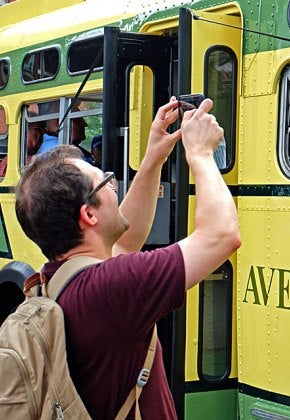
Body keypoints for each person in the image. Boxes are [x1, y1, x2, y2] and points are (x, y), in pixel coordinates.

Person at [15, 97, 241, 419]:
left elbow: (125, 243)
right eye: (105, 181)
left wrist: (153, 158)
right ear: (88, 214)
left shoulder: (58, 280)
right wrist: (202, 154)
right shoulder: (113, 288)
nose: (114, 183)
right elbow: (221, 234)